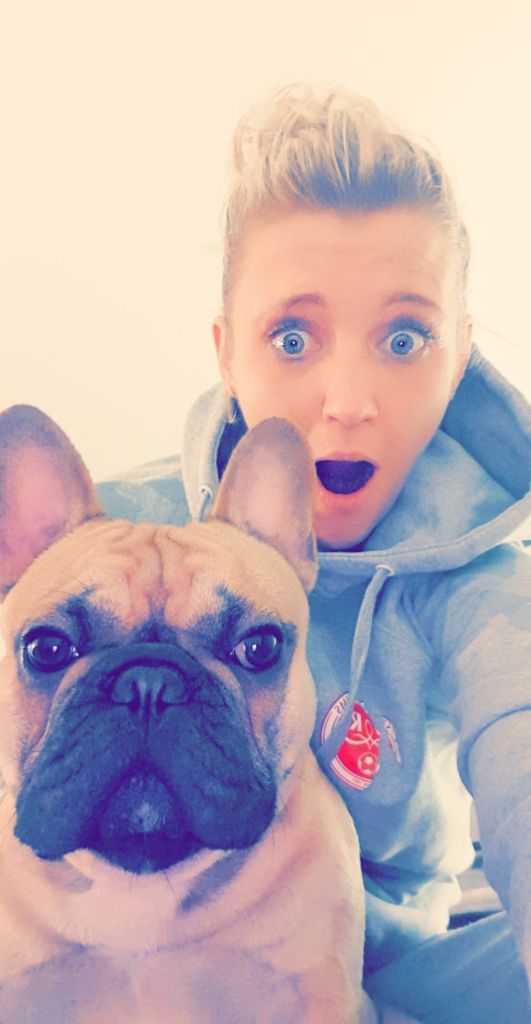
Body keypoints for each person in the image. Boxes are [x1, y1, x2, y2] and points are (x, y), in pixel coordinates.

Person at [99, 83, 531, 1022]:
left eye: (404, 338)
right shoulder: (111, 540)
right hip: (163, 948)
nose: (347, 401)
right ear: (226, 352)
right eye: (292, 337)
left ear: (458, 357)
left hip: (398, 963)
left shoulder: (486, 593)